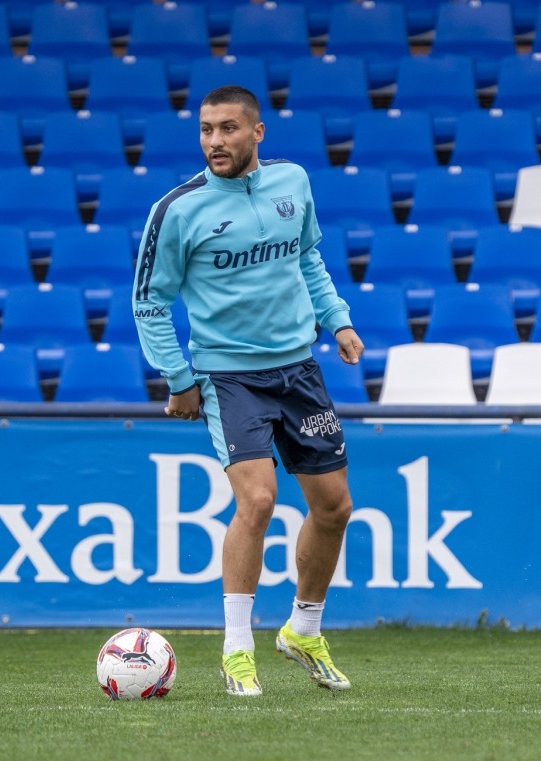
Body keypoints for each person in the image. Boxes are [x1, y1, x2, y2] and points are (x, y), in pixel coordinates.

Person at [133, 85, 365, 696]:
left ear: (257, 133)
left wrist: (337, 319)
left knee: (335, 508)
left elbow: (307, 259)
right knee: (257, 501)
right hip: (229, 377)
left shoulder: (293, 182)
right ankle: (238, 650)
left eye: (229, 129)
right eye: (207, 129)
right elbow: (149, 303)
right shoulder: (177, 210)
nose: (216, 141)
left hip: (299, 370)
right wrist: (179, 380)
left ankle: (304, 630)